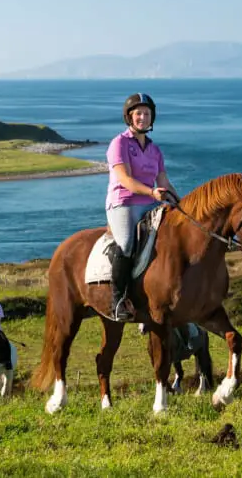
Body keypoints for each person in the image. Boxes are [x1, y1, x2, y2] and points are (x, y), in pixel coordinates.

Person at [104, 92, 180, 322]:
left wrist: (181, 202)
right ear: (129, 117)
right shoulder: (119, 143)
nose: (143, 118)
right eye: (138, 113)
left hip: (150, 204)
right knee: (127, 243)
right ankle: (117, 300)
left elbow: (163, 182)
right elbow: (125, 179)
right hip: (123, 203)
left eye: (147, 114)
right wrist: (151, 192)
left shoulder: (155, 150)